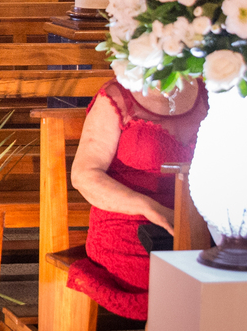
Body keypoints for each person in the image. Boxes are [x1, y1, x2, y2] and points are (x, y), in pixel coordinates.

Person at [68, 74, 208, 320]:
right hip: (130, 223)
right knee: (178, 280)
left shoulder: (211, 91)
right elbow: (84, 175)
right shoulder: (117, 96)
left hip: (200, 221)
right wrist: (150, 208)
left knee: (244, 268)